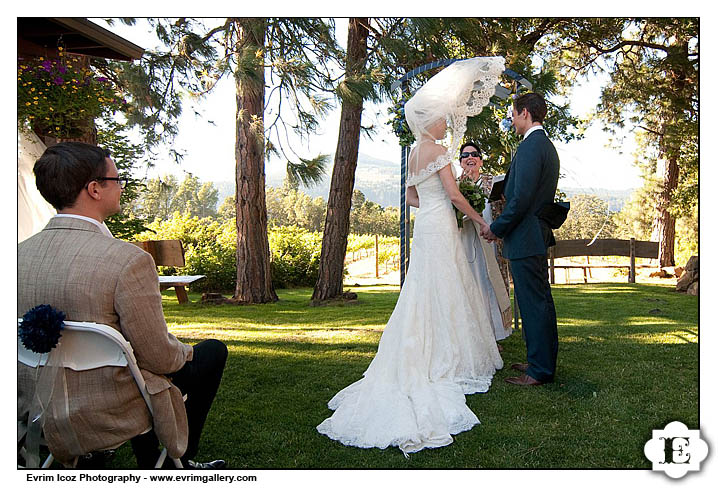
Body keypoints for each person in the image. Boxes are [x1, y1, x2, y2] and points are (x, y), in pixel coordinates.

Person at [317, 57, 505, 455]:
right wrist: (476, 219)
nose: (444, 123)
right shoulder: (437, 150)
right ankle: (448, 359)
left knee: (425, 287)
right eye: (440, 119)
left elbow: (411, 196)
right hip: (441, 226)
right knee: (448, 285)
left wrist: (438, 207)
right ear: (430, 121)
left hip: (427, 227)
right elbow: (454, 194)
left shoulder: (415, 153)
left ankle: (423, 347)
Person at [17, 142, 227, 469]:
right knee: (211, 352)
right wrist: (184, 352)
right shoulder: (128, 261)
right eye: (117, 180)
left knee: (133, 363)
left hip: (40, 401)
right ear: (94, 189)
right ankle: (179, 460)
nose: (121, 187)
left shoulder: (17, 256)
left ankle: (154, 459)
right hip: (109, 405)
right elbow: (159, 355)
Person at [481, 93, 560, 387]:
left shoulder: (531, 147)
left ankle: (539, 370)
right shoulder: (544, 145)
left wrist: (496, 228)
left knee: (533, 303)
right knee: (537, 302)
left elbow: (522, 199)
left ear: (524, 113)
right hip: (533, 235)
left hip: (526, 235)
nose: (511, 120)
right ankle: (540, 361)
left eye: (513, 114)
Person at [457, 142, 513, 348]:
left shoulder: (494, 182)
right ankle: (472, 337)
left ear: (480, 160)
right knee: (469, 287)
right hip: (465, 243)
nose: (469, 158)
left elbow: (507, 206)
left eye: (474, 154)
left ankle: (492, 336)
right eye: (465, 155)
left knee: (489, 288)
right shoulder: (454, 184)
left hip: (490, 244)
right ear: (460, 161)